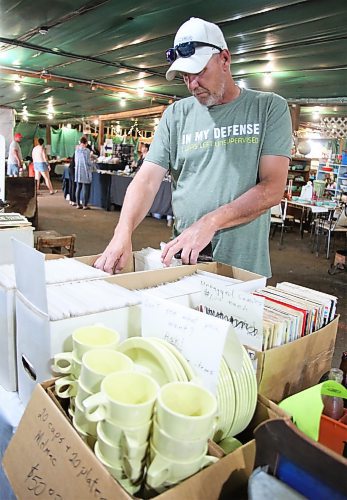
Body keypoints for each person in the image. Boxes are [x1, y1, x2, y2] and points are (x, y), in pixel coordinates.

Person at [94, 17, 292, 277]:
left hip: (244, 268)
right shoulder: (176, 116)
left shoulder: (268, 108)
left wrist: (210, 222)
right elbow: (146, 181)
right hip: (186, 262)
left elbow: (273, 188)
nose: (192, 85)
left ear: (225, 59)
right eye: (185, 77)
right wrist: (123, 232)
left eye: (199, 72)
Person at [74, 136, 94, 210]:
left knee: (78, 187)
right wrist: (93, 163)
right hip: (85, 171)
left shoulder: (76, 150)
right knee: (86, 188)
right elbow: (88, 162)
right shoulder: (87, 150)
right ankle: (85, 205)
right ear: (86, 143)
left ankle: (78, 204)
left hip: (78, 171)